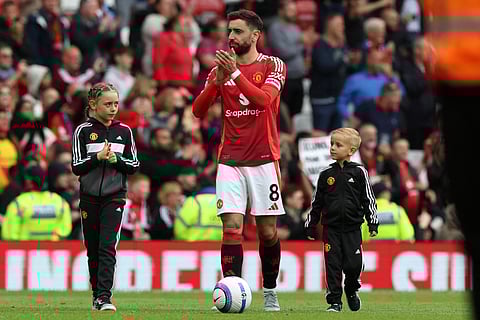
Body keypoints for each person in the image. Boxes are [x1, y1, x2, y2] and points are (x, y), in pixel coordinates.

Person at [192, 9, 286, 312]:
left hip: (264, 160)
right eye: (229, 31)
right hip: (230, 159)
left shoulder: (273, 65)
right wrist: (214, 84)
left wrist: (232, 74)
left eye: (237, 31)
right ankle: (232, 292)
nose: (231, 37)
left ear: (255, 35)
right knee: (231, 227)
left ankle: (269, 291)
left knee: (267, 232)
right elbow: (198, 111)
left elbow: (263, 101)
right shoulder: (220, 68)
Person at [71, 82, 139, 311]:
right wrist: (98, 157)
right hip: (89, 197)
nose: (113, 108)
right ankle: (96, 294)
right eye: (107, 104)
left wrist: (116, 160)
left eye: (116, 104)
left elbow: (134, 165)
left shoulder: (125, 132)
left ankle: (104, 297)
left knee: (107, 246)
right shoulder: (82, 131)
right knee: (93, 247)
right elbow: (77, 166)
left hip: (114, 196)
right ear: (93, 105)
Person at [304, 127, 378, 312]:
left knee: (353, 266)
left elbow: (368, 199)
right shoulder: (325, 174)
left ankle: (352, 290)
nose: (332, 148)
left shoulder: (360, 172)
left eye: (338, 145)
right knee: (333, 265)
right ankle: (334, 301)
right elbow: (317, 202)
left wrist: (372, 222)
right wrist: (311, 224)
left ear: (351, 151)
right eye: (331, 144)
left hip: (353, 229)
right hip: (331, 229)